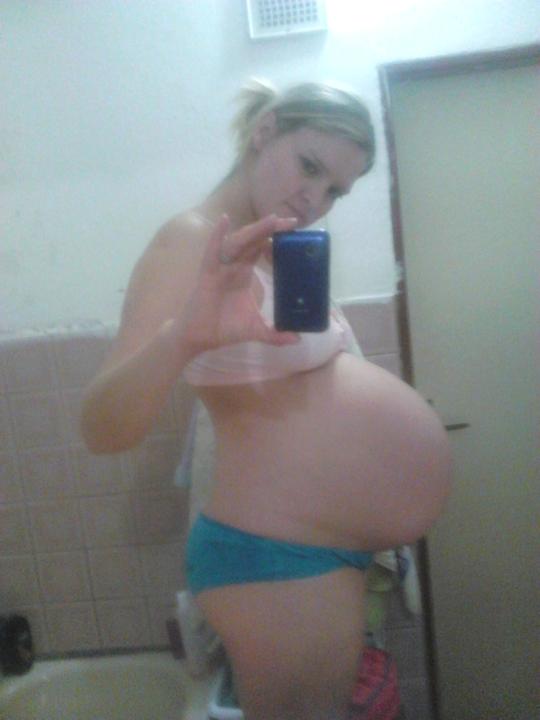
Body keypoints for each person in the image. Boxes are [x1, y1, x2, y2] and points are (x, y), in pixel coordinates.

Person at [81, 79, 451, 720]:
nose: (315, 199)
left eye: (335, 190)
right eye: (309, 166)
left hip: (318, 549)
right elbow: (100, 427)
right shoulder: (191, 240)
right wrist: (181, 337)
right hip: (276, 556)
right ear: (265, 130)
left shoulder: (281, 250)